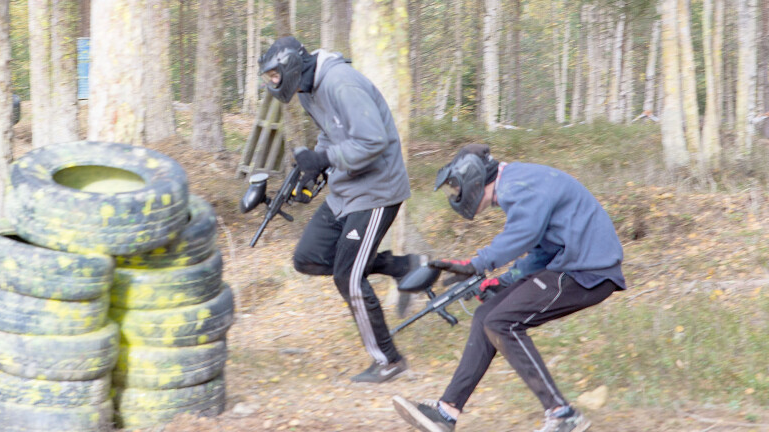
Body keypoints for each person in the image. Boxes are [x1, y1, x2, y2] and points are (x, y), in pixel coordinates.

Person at [392, 144, 626, 432]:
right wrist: (503, 281)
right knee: (485, 318)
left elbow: (524, 233)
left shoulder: (517, 184)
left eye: (456, 189)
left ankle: (563, 415)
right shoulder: (519, 183)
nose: (456, 196)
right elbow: (541, 250)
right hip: (570, 264)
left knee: (502, 323)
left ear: (473, 179)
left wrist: (478, 263)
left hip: (586, 270)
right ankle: (446, 412)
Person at [257, 36, 424, 383]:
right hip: (346, 190)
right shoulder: (308, 90)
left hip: (377, 191)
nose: (273, 83)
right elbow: (330, 135)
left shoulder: (340, 83)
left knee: (348, 276)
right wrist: (314, 170)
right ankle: (404, 266)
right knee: (309, 257)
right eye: (268, 78)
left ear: (289, 66)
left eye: (274, 75)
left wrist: (324, 159)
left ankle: (388, 362)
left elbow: (372, 141)